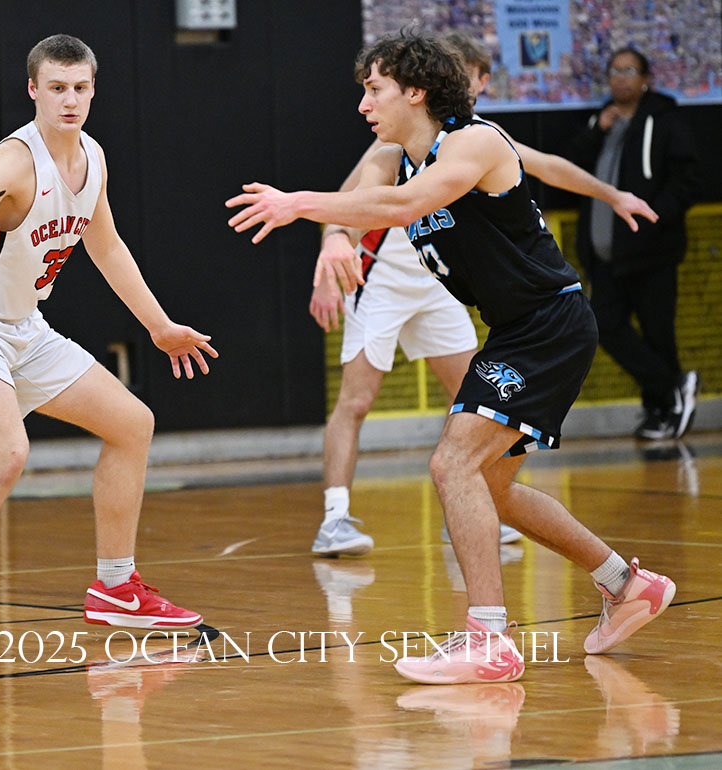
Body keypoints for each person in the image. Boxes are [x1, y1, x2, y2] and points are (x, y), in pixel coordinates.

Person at [226, 31, 675, 683]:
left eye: (374, 90)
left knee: (453, 463)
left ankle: (489, 639)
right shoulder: (395, 155)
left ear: (415, 90)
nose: (363, 105)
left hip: (549, 325)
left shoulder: (476, 143)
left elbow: (405, 206)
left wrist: (296, 203)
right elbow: (367, 194)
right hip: (518, 329)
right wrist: (334, 237)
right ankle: (627, 584)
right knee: (493, 488)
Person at [0, 34, 217, 668]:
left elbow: (106, 245)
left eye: (80, 88)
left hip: (25, 327)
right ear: (33, 91)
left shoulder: (93, 157)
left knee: (132, 424)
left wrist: (159, 326)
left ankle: (116, 587)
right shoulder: (13, 163)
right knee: (6, 454)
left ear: (93, 91)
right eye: (57, 88)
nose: (70, 99)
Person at [309, 29, 658, 557]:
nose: (462, 86)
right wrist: (331, 248)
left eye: (470, 77)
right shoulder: (392, 146)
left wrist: (611, 194)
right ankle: (336, 516)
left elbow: (547, 164)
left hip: (446, 289)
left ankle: (476, 505)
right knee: (357, 400)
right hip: (382, 276)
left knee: (474, 404)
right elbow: (349, 205)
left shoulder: (476, 138)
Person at [571, 47, 700, 441]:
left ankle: (662, 411)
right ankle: (672, 389)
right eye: (614, 70)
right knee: (602, 324)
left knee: (658, 333)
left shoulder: (665, 120)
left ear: (646, 78)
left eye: (629, 70)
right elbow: (570, 169)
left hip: (651, 252)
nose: (620, 78)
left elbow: (687, 179)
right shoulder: (603, 121)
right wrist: (597, 130)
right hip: (605, 256)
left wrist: (653, 220)